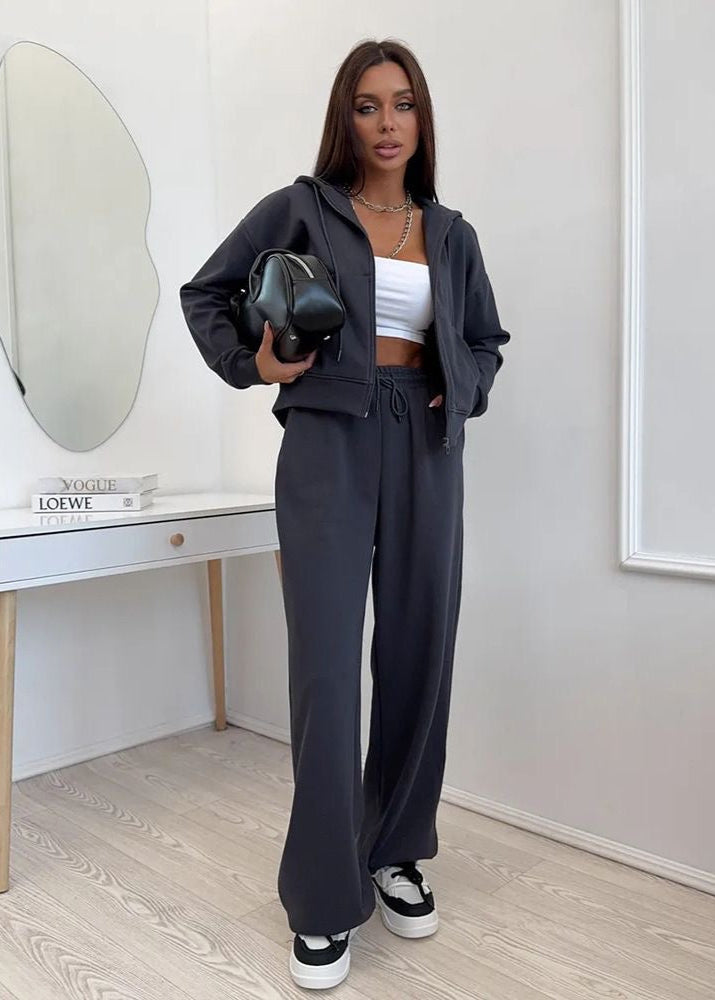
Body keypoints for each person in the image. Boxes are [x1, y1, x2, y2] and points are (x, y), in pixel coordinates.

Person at [180, 37, 510, 991]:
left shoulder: (450, 233)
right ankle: (323, 894)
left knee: (417, 652)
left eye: (402, 104)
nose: (386, 123)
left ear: (422, 118)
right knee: (326, 667)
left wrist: (462, 383)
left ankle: (395, 849)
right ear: (345, 118)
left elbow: (486, 340)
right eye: (367, 106)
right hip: (327, 440)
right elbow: (207, 293)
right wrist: (256, 363)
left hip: (427, 448)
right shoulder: (301, 208)